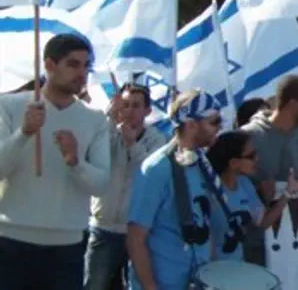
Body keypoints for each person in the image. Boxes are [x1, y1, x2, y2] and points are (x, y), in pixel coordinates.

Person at [0, 34, 111, 290]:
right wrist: (25, 133)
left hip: (67, 248)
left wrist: (75, 162)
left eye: (86, 66)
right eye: (73, 64)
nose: (82, 73)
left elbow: (101, 184)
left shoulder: (96, 120)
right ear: (49, 65)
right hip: (11, 242)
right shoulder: (8, 106)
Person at [126, 90, 223, 290]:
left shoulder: (202, 165)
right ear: (191, 124)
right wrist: (150, 287)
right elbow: (136, 237)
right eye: (213, 122)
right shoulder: (157, 169)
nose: (219, 128)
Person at [85, 83, 167, 290]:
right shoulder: (107, 132)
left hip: (136, 231)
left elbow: (150, 172)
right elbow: (90, 153)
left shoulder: (156, 139)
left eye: (136, 105)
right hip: (103, 226)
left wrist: (132, 145)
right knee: (95, 283)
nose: (129, 110)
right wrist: (108, 120)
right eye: (126, 105)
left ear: (147, 110)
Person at [241, 75, 298, 266]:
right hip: (255, 248)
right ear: (294, 104)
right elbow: (231, 187)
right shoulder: (248, 136)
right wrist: (258, 191)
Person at [205, 130, 298, 261]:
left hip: (237, 268)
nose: (257, 159)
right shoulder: (207, 190)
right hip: (209, 271)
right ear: (233, 163)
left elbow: (262, 222)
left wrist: (287, 194)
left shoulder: (244, 184)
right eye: (251, 156)